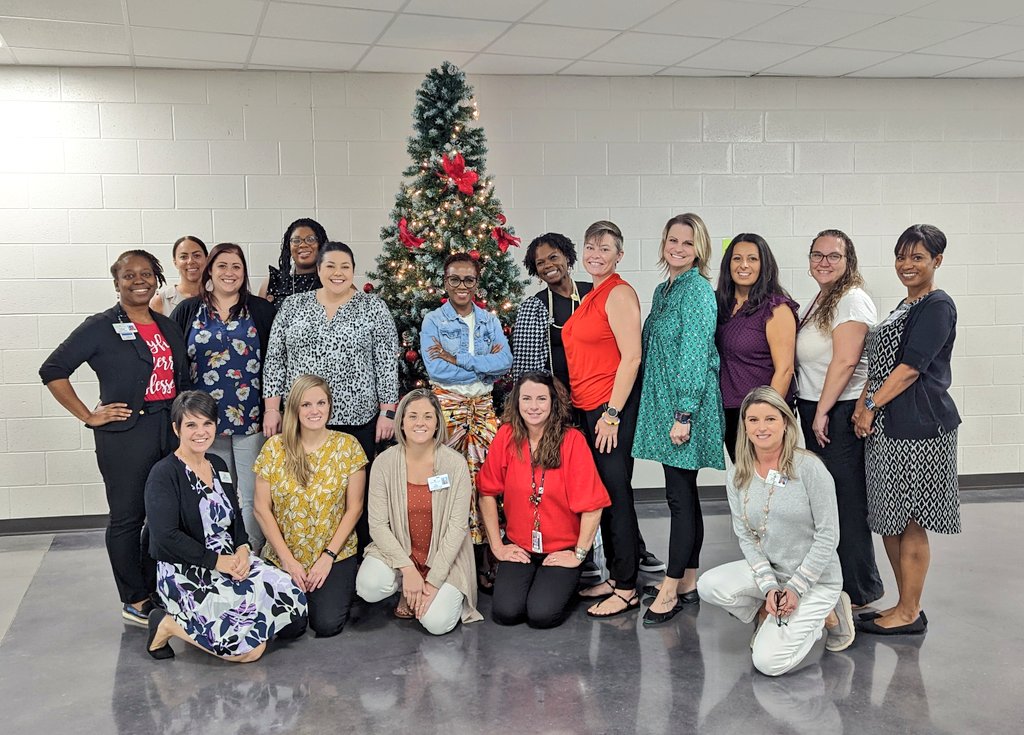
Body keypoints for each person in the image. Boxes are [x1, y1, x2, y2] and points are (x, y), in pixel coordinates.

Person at [40, 250, 189, 626]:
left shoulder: (167, 325)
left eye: (146, 274)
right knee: (127, 516)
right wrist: (88, 415)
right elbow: (53, 369)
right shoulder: (101, 326)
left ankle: (155, 587)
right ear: (117, 282)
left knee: (163, 514)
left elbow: (181, 380)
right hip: (125, 435)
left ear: (156, 279)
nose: (139, 281)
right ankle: (134, 599)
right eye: (129, 275)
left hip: (168, 430)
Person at [697, 387, 855, 677]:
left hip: (815, 579)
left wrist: (795, 588)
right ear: (744, 426)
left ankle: (828, 615)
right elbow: (746, 536)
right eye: (753, 420)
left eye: (770, 419)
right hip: (772, 571)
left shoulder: (809, 468)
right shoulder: (737, 475)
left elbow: (828, 536)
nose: (762, 428)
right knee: (708, 585)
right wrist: (770, 586)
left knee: (768, 663)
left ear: (785, 422)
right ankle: (766, 610)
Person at [144, 391, 307, 661]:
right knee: (250, 652)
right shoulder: (163, 474)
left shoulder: (217, 465)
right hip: (186, 569)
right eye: (191, 425)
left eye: (207, 423)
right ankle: (167, 624)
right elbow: (165, 537)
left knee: (293, 610)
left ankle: (229, 622)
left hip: (231, 559)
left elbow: (235, 516)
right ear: (176, 429)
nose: (201, 432)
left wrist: (242, 548)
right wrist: (217, 562)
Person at [853, 224, 960, 636]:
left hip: (919, 428)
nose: (907, 265)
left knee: (911, 520)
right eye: (901, 256)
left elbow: (911, 368)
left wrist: (870, 405)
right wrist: (865, 402)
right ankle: (903, 604)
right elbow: (881, 364)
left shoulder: (937, 306)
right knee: (889, 518)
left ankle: (910, 611)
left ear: (937, 260)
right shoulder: (905, 304)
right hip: (887, 426)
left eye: (917, 257)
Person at [263, 241, 399, 550]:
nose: (338, 273)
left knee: (354, 496)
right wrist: (272, 408)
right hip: (303, 418)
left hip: (357, 419)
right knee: (304, 490)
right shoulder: (293, 306)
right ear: (319, 269)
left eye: (345, 267)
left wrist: (388, 411)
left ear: (353, 270)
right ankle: (302, 554)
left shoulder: (373, 307)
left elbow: (386, 362)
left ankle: (354, 560)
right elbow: (275, 360)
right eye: (331, 266)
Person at [633, 213, 726, 626]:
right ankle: (688, 580)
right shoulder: (665, 289)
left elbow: (695, 354)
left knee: (678, 498)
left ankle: (670, 588)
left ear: (699, 249)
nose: (679, 248)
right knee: (683, 494)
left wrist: (684, 413)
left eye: (688, 243)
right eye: (673, 240)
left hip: (686, 410)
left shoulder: (698, 291)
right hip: (667, 407)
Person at [478, 372, 609, 628]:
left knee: (541, 615)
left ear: (553, 402)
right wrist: (498, 547)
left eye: (541, 399)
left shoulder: (572, 441)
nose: (533, 406)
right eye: (526, 398)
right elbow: (486, 493)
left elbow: (593, 506)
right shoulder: (506, 436)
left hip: (563, 548)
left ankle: (564, 580)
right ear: (517, 402)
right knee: (506, 612)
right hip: (520, 545)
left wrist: (578, 554)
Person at [795, 229, 884, 608]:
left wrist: (823, 411)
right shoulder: (822, 298)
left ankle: (860, 592)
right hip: (818, 407)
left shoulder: (851, 300)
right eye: (817, 255)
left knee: (847, 502)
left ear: (849, 261)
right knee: (827, 501)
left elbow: (846, 361)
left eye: (834, 256)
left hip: (839, 411)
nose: (824, 262)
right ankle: (838, 584)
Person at [170, 242, 276, 554]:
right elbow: (175, 362)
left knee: (252, 493)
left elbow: (275, 362)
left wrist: (274, 408)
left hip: (250, 419)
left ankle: (251, 552)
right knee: (213, 490)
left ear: (244, 272)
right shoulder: (188, 310)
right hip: (203, 422)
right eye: (222, 266)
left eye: (236, 266)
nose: (229, 273)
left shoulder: (261, 310)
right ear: (210, 271)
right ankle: (219, 552)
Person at [563, 220, 645, 617]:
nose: (596, 254)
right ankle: (615, 576)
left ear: (619, 255)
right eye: (591, 247)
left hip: (610, 409)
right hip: (589, 408)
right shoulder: (591, 294)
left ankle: (627, 587)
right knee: (604, 496)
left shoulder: (618, 293)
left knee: (616, 495)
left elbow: (632, 357)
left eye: (605, 248)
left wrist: (612, 414)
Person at [355, 389, 483, 635]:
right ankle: (409, 585)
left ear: (437, 423)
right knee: (368, 586)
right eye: (412, 416)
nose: (420, 423)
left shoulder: (455, 464)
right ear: (401, 422)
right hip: (402, 552)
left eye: (428, 416)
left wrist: (433, 582)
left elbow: (458, 528)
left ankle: (431, 590)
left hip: (445, 557)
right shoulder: (384, 463)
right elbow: (378, 525)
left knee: (436, 623)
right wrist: (407, 569)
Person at [420, 252, 513, 589]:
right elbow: (436, 369)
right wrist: (481, 365)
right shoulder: (434, 321)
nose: (462, 286)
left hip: (483, 410)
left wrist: (456, 357)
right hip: (448, 410)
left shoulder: (488, 321)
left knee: (490, 480)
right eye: (454, 279)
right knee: (447, 481)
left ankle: (489, 555)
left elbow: (505, 362)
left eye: (469, 279)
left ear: (477, 283)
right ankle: (451, 558)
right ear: (445, 283)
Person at [253, 375, 367, 637]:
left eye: (321, 403)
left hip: (333, 553)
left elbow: (355, 508)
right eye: (306, 404)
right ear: (294, 408)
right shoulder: (274, 448)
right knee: (289, 627)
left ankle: (329, 590)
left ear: (329, 405)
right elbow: (261, 508)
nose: (314, 410)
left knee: (326, 624)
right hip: (283, 554)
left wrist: (328, 557)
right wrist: (287, 560)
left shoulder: (348, 446)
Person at [715, 234, 799, 460]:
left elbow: (785, 370)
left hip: (763, 411)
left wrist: (764, 416)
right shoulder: (720, 305)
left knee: (771, 475)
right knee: (745, 476)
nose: (744, 265)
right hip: (731, 410)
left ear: (764, 265)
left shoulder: (775, 308)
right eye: (737, 258)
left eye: (752, 259)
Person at [509, 232, 593, 390]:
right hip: (556, 394)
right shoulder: (534, 307)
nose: (547, 265)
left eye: (553, 257)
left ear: (567, 257)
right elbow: (525, 366)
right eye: (540, 263)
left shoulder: (592, 293)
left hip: (595, 389)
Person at [258, 217, 327, 307]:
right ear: (288, 247)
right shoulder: (272, 282)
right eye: (296, 241)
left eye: (310, 239)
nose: (303, 245)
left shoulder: (331, 281)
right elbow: (259, 315)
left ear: (321, 244)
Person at [151, 235, 208, 316]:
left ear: (207, 259)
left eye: (197, 256)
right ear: (175, 262)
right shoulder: (161, 301)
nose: (190, 261)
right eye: (183, 257)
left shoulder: (219, 296)